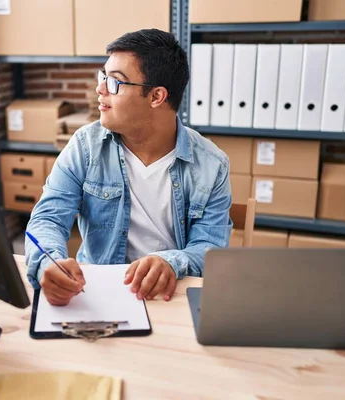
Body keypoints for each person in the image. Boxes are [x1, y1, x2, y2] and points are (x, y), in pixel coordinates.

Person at [25, 29, 232, 306]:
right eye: (103, 77)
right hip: (95, 292)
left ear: (156, 96)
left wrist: (171, 262)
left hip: (170, 295)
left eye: (115, 83)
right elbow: (47, 218)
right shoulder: (86, 146)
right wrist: (48, 261)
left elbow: (210, 249)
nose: (100, 89)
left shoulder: (211, 165)